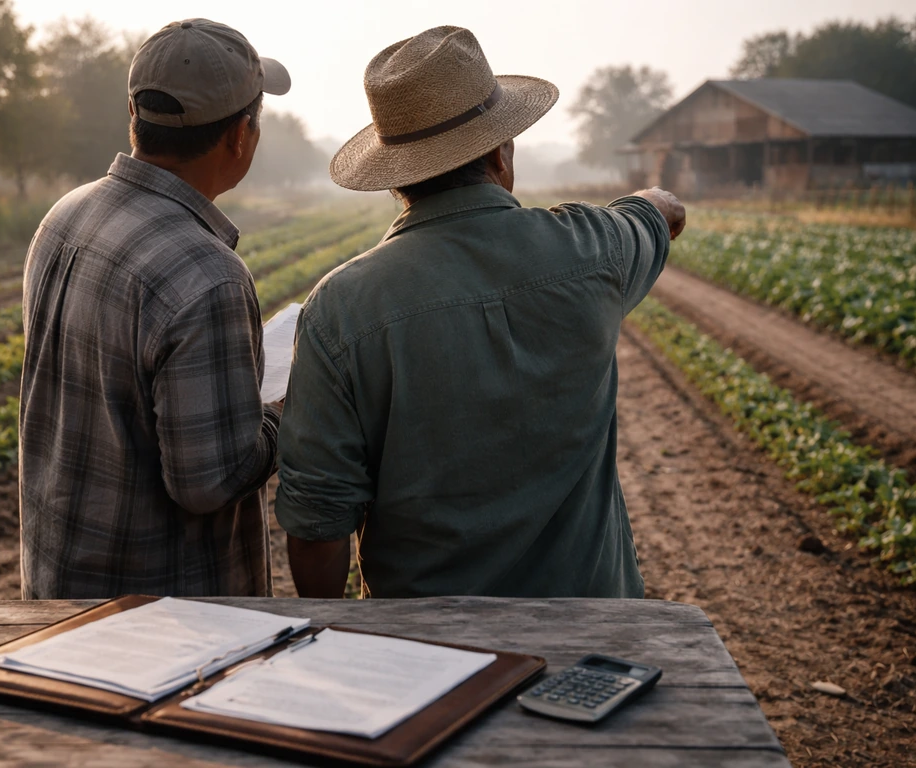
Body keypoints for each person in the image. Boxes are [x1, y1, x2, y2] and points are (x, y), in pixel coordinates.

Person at [275, 26, 686, 599]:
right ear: (501, 152)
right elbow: (657, 212)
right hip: (594, 627)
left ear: (397, 180)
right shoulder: (596, 248)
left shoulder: (341, 307)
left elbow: (318, 527)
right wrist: (654, 204)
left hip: (426, 651)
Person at [19, 19, 291, 599]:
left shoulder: (63, 216)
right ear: (240, 137)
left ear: (135, 118)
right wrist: (281, 412)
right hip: (160, 620)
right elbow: (210, 482)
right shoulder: (208, 276)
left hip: (58, 586)